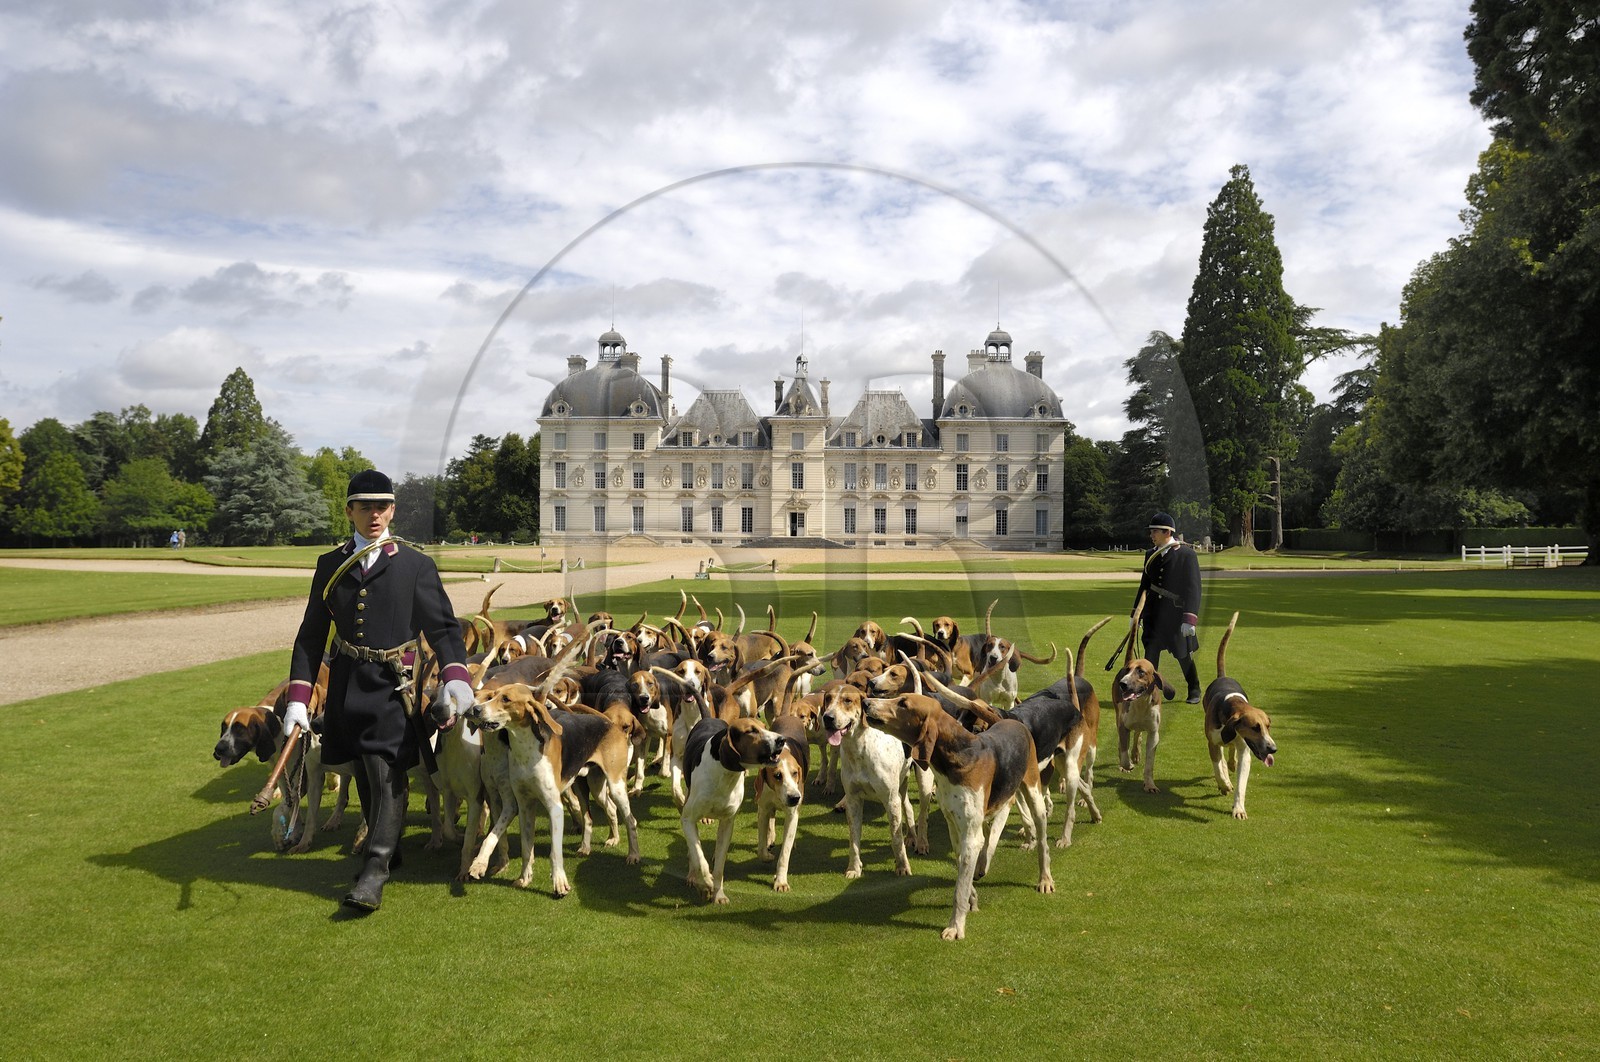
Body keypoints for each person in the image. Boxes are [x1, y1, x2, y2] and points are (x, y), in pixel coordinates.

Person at [282, 470, 474, 913]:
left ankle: (376, 868)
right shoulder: (330, 566)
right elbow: (311, 636)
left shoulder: (415, 564)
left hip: (395, 683)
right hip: (349, 680)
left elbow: (443, 627)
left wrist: (456, 676)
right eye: (365, 506)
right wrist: (298, 697)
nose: (374, 514)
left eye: (382, 506)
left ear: (392, 510)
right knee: (363, 767)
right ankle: (392, 848)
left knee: (386, 766)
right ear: (349, 510)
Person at [1133, 511, 1203, 704]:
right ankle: (1149, 694)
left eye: (1155, 531)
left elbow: (1194, 588)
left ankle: (1194, 689)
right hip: (1154, 615)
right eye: (1151, 531)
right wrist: (1136, 614)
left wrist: (1189, 618)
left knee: (1183, 656)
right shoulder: (1150, 554)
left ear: (1167, 532)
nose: (1151, 535)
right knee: (1149, 659)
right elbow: (1144, 586)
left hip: (1175, 616)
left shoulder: (1187, 555)